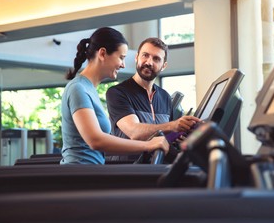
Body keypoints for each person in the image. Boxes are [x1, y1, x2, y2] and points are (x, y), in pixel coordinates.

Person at [60, 28, 169, 164]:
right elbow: (96, 140)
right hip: (79, 175)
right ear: (103, 53)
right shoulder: (78, 88)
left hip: (92, 171)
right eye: (121, 58)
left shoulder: (89, 89)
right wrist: (148, 145)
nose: (123, 65)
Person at [106, 37, 200, 162]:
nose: (149, 62)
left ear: (164, 66)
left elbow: (167, 136)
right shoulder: (117, 93)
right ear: (137, 57)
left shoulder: (165, 97)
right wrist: (173, 125)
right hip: (127, 169)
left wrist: (182, 136)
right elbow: (134, 132)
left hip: (156, 166)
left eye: (156, 59)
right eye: (145, 55)